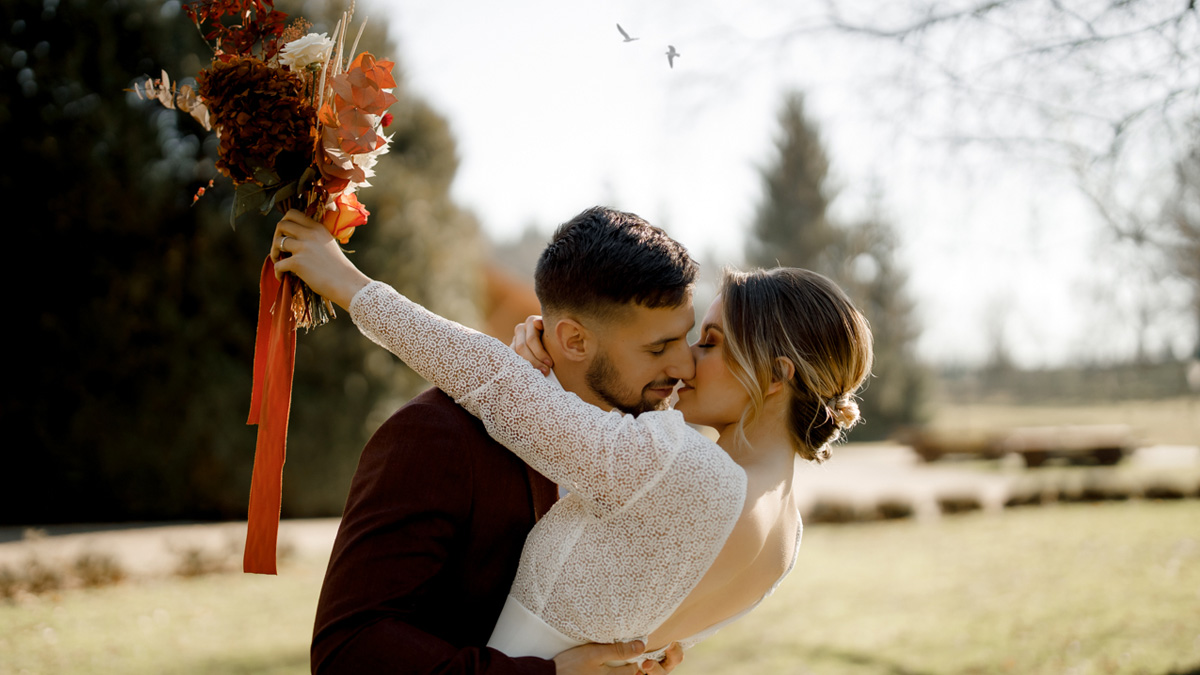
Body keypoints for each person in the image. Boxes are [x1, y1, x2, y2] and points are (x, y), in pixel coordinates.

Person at [280, 205, 873, 669]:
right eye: (674, 344)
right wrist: (540, 373)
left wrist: (346, 281)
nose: (687, 364)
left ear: (776, 377)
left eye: (708, 343)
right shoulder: (786, 535)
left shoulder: (689, 472)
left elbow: (491, 383)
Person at [309, 207, 693, 674]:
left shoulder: (652, 460)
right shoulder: (437, 435)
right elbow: (349, 651)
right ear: (573, 340)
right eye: (657, 349)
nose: (684, 368)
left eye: (686, 340)